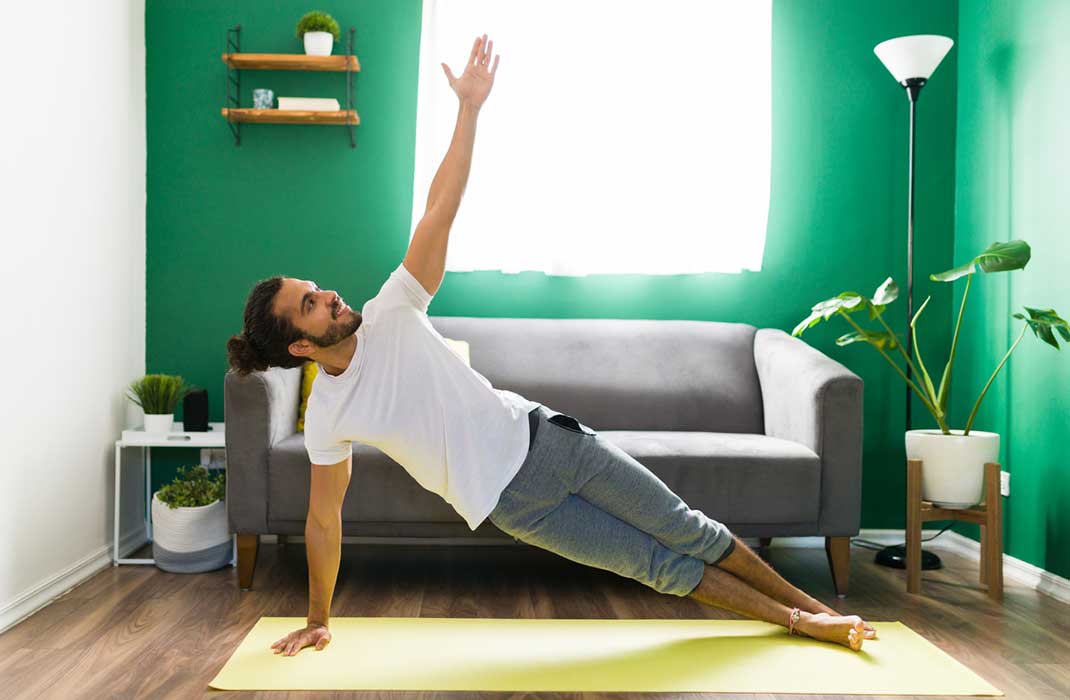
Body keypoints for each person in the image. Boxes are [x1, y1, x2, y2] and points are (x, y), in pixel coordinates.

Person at [226, 35, 877, 658]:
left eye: (316, 289)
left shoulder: (390, 311)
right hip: (513, 507)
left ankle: (816, 613)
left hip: (553, 443)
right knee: (659, 567)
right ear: (301, 349)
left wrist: (468, 109)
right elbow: (322, 521)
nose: (329, 297)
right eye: (309, 305)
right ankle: (799, 621)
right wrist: (317, 618)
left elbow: (438, 210)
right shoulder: (331, 417)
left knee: (688, 529)